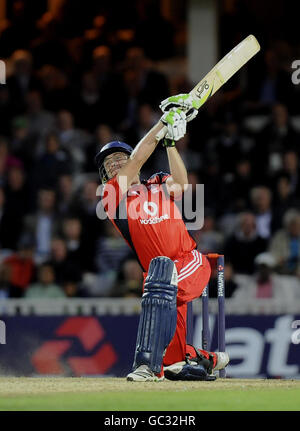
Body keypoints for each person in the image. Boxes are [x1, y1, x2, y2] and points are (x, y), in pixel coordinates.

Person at [95, 94, 229, 382]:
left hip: (188, 262)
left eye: (120, 158)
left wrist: (169, 142)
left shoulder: (156, 182)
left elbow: (181, 183)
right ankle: (201, 358)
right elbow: (139, 157)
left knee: (160, 282)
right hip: (159, 278)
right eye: (109, 164)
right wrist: (162, 125)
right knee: (172, 361)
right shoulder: (111, 197)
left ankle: (145, 367)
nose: (116, 164)